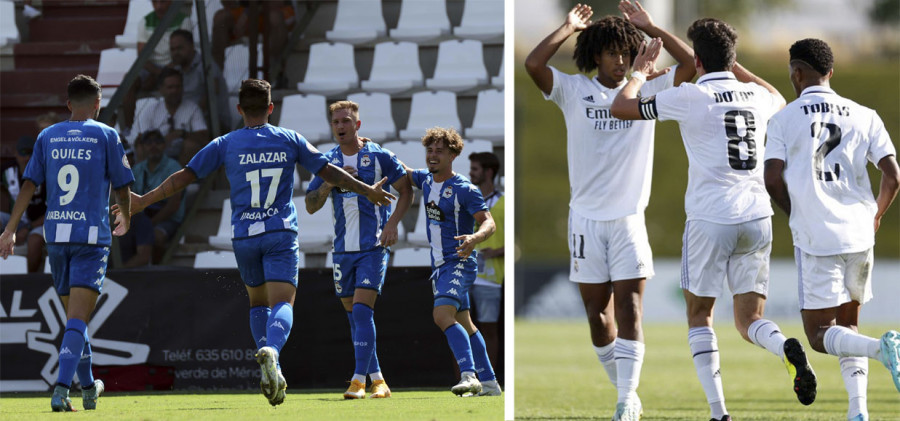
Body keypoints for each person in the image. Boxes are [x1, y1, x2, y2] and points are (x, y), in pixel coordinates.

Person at [112, 78, 396, 406]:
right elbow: (330, 171)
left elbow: (184, 176)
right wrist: (368, 190)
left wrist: (144, 201)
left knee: (258, 304)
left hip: (245, 236)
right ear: (271, 108)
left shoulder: (225, 143)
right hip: (279, 233)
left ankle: (269, 368)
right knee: (283, 304)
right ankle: (272, 352)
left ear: (239, 109)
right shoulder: (289, 138)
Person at [610, 18, 816, 421]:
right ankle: (783, 346)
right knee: (749, 319)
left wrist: (640, 71)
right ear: (733, 59)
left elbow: (621, 106)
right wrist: (734, 66)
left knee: (700, 315)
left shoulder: (689, 96)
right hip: (757, 216)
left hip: (710, 218)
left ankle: (719, 413)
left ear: (698, 60)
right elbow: (777, 94)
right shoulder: (756, 96)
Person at [524, 1, 695, 418]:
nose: (620, 61)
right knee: (598, 317)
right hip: (584, 219)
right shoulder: (572, 91)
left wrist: (652, 27)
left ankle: (624, 401)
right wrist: (567, 27)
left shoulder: (645, 88)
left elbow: (692, 63)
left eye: (626, 52)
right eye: (612, 53)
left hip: (629, 219)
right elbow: (533, 63)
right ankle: (626, 391)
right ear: (595, 54)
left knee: (630, 308)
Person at [763, 38, 900, 420]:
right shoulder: (865, 114)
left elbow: (772, 178)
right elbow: (893, 175)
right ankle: (858, 412)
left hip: (817, 235)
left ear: (796, 72)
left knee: (820, 335)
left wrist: (796, 211)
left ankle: (882, 349)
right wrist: (876, 214)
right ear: (831, 73)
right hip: (860, 232)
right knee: (848, 325)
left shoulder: (784, 118)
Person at [0, 74, 134, 412]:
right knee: (77, 320)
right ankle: (61, 389)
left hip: (56, 238)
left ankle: (89, 387)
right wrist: (127, 216)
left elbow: (29, 185)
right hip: (90, 239)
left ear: (68, 104)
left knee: (76, 320)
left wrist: (10, 229)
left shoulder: (47, 136)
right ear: (98, 104)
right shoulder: (106, 135)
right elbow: (122, 187)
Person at [305, 100, 413, 400]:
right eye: (336, 122)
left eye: (346, 121)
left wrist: (392, 224)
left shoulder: (379, 156)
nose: (340, 126)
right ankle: (378, 379)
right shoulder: (327, 162)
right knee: (355, 318)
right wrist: (332, 182)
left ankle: (357, 381)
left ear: (357, 125)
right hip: (342, 250)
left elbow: (406, 190)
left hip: (372, 247)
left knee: (363, 312)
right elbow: (311, 205)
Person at [403, 126, 500, 397]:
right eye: (429, 150)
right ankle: (490, 383)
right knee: (466, 324)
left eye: (439, 151)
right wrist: (370, 149)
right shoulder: (425, 180)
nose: (432, 156)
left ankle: (469, 376)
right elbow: (402, 170)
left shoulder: (464, 189)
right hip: (439, 267)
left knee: (441, 315)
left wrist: (475, 238)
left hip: (458, 262)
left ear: (453, 154)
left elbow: (488, 222)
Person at [123, 0, 193, 129]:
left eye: (163, 2)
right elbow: (142, 55)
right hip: (152, 68)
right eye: (155, 2)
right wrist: (158, 73)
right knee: (128, 81)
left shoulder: (184, 20)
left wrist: (162, 73)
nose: (159, 6)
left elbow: (185, 52)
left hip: (176, 65)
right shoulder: (145, 21)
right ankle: (129, 129)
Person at [120, 130, 184, 267]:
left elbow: (173, 205)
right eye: (148, 143)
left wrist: (150, 223)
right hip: (142, 218)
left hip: (167, 219)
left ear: (165, 145)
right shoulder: (137, 169)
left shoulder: (174, 167)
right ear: (142, 147)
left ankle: (157, 269)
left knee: (155, 236)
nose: (153, 145)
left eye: (158, 142)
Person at [468, 152, 503, 367]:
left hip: (490, 277)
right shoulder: (465, 197)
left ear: (488, 172)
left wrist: (497, 251)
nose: (470, 173)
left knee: (489, 330)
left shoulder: (504, 203)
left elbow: (515, 243)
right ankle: (462, 379)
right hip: (464, 274)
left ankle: (489, 381)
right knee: (460, 330)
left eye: (475, 169)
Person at [132, 68, 209, 165]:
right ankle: (147, 179)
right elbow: (141, 138)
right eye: (170, 87)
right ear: (161, 89)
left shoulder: (193, 108)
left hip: (183, 152)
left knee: (191, 145)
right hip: (157, 149)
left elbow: (203, 137)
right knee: (141, 148)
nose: (174, 91)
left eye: (178, 87)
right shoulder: (151, 109)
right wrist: (162, 140)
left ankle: (181, 179)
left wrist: (181, 134)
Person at [168, 29, 231, 133]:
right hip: (187, 120)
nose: (176, 53)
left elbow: (212, 92)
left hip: (214, 122)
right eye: (172, 49)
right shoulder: (177, 68)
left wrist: (187, 116)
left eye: (179, 48)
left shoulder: (206, 64)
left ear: (191, 46)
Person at [1, 136, 47, 273]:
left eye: (30, 154)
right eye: (23, 153)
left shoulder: (47, 173)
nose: (27, 158)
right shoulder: (7, 171)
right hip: (14, 219)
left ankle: (27, 280)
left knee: (34, 241)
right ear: (16, 153)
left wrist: (26, 227)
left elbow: (51, 211)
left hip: (39, 222)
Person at [211, 1, 293, 73]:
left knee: (275, 19)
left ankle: (275, 72)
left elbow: (278, 2)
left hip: (275, 10)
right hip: (245, 13)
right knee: (220, 19)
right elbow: (227, 4)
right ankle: (215, 77)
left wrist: (248, 13)